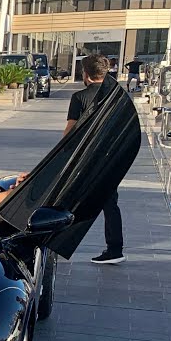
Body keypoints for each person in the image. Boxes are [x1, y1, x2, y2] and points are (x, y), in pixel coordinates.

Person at [64, 53, 124, 264]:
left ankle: (56, 242)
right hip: (111, 158)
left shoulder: (79, 97)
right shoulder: (118, 95)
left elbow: (70, 131)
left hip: (85, 159)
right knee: (110, 204)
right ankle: (115, 249)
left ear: (86, 74)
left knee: (67, 199)